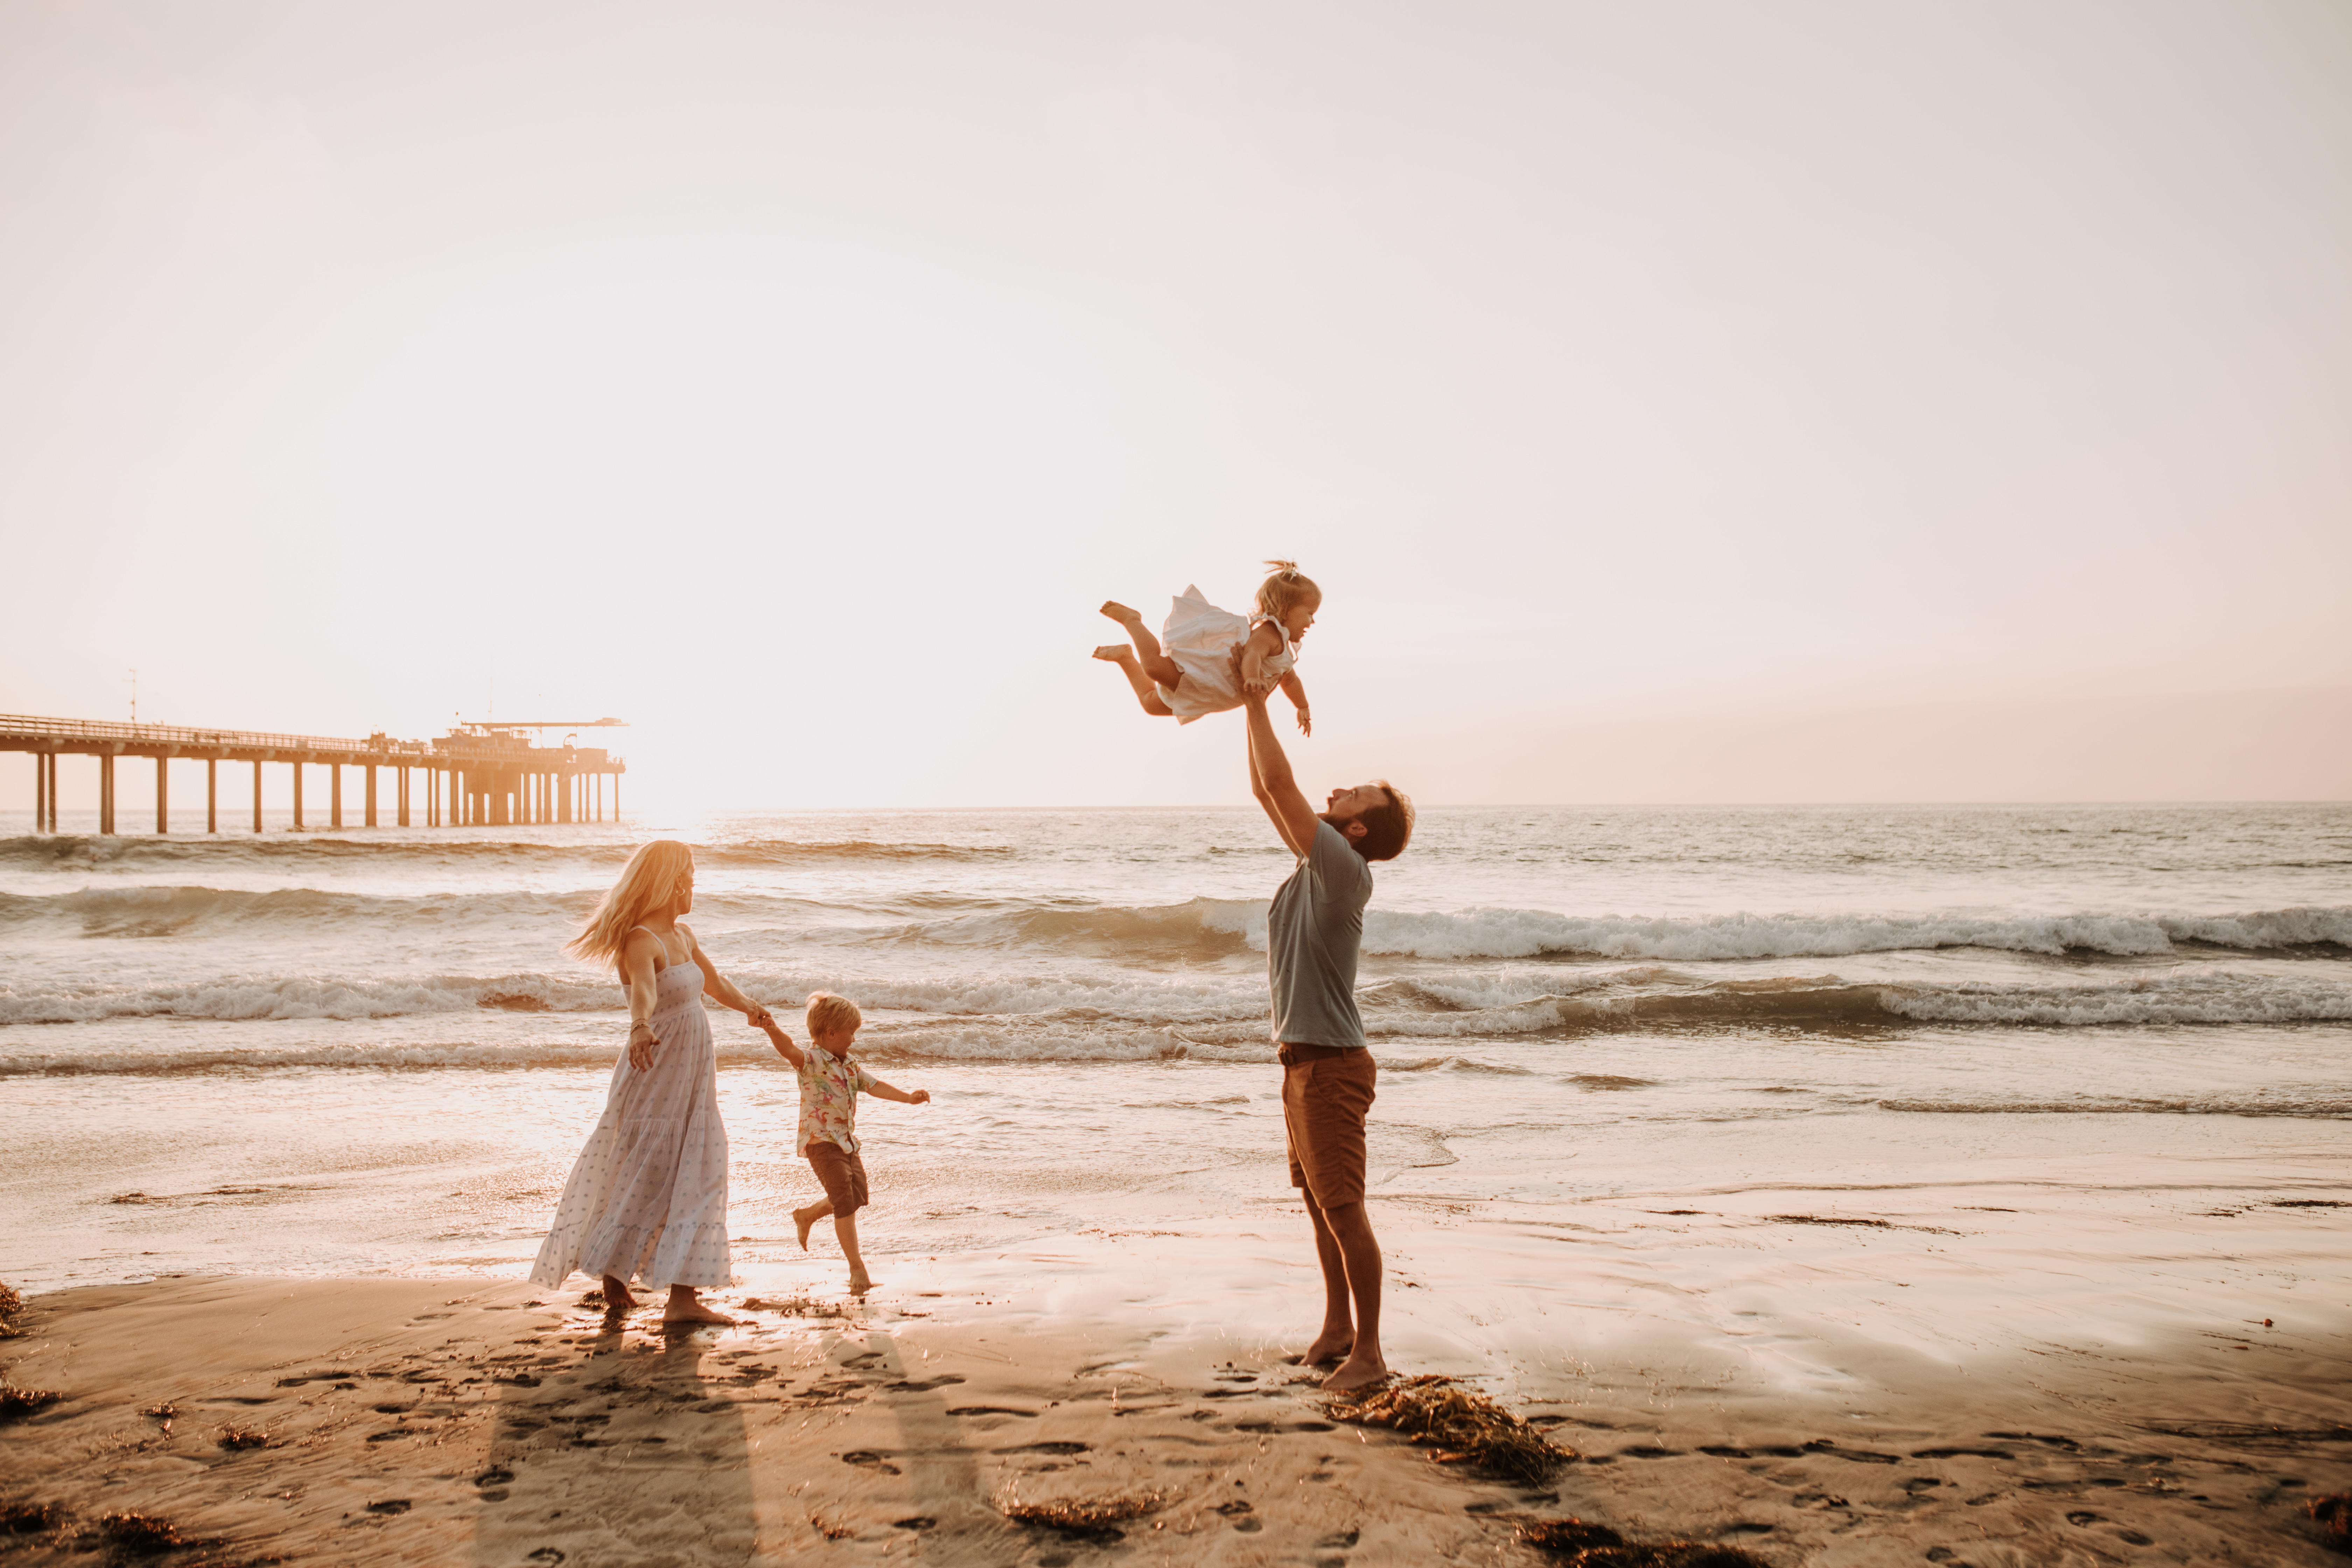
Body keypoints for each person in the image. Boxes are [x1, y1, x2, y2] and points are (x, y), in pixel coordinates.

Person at [1239, 676, 1413, 1391]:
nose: (1336, 789)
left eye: (1353, 795)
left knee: (1345, 1209)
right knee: (1320, 1205)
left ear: (1360, 831)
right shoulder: (1319, 866)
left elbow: (1281, 785)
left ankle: (1370, 1354)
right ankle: (1338, 1328)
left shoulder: (1343, 869)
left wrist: (1256, 697)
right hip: (1302, 1063)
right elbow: (1265, 790)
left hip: (1332, 1067)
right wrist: (1250, 702)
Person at [531, 840, 779, 1325]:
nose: (694, 884)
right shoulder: (642, 941)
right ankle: (613, 1270)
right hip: (655, 1074)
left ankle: (681, 1301)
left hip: (693, 1081)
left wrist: (752, 1007)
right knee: (646, 1170)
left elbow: (715, 983)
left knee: (698, 1169)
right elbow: (643, 992)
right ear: (671, 882)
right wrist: (639, 1025)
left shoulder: (683, 936)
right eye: (688, 876)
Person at [755, 991, 930, 1294]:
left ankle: (807, 1215)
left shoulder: (850, 1066)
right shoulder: (810, 1061)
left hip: (847, 1142)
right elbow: (788, 1050)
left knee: (858, 1195)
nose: (854, 1039)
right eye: (851, 1033)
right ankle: (856, 1268)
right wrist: (771, 1027)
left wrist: (908, 1098)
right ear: (831, 1032)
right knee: (844, 1203)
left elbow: (875, 1087)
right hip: (820, 1141)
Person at [1094, 560, 1319, 734]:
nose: (1313, 621)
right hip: (1204, 680)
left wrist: (1302, 706)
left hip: (1212, 694)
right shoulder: (1269, 633)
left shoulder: (1285, 652)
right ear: (1287, 609)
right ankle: (1133, 620)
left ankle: (1125, 657)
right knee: (1153, 667)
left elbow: (1291, 680)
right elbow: (1252, 654)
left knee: (1151, 705)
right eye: (1309, 614)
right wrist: (1252, 677)